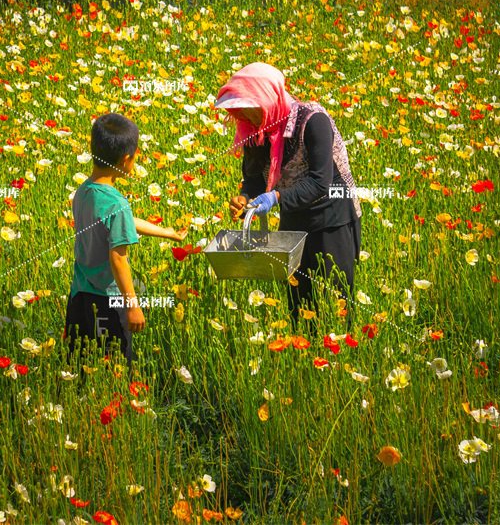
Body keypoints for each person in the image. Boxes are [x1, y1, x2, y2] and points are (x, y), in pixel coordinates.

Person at [215, 62, 362, 331]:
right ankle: (304, 355)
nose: (248, 116)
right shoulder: (253, 130)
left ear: (269, 97)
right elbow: (254, 180)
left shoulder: (313, 121)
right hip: (294, 221)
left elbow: (321, 182)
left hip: (332, 218)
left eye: (252, 108)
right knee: (300, 304)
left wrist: (276, 197)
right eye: (242, 111)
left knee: (337, 301)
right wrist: (245, 198)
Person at [64, 112, 187, 365]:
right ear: (126, 159)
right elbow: (118, 259)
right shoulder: (117, 203)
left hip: (79, 297)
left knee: (80, 363)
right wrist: (132, 306)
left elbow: (119, 222)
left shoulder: (84, 191)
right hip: (108, 301)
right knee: (114, 366)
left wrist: (168, 233)